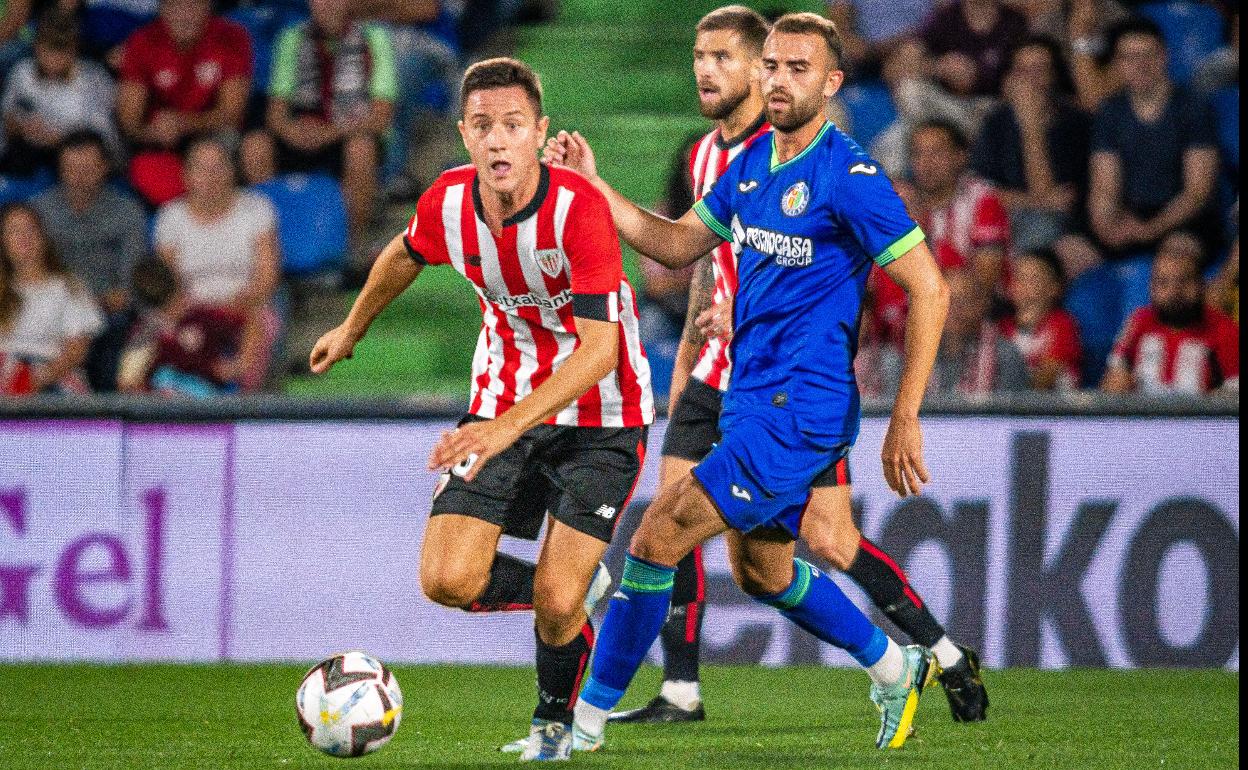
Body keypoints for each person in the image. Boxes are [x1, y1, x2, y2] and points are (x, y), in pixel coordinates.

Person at [547, 13, 954, 753]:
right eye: (770, 65)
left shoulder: (850, 176)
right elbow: (674, 244)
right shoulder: (753, 162)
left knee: (657, 533)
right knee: (764, 570)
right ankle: (898, 667)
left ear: (831, 83)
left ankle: (583, 725)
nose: (778, 79)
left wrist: (906, 416)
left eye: (798, 68)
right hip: (749, 398)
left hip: (802, 409)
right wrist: (594, 188)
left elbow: (930, 289)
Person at [308, 57, 655, 762]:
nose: (499, 142)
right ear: (464, 135)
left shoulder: (578, 209)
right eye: (484, 127)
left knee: (558, 605)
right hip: (501, 400)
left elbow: (597, 353)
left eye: (514, 126)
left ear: (539, 133)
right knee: (447, 580)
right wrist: (352, 328)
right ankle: (577, 588)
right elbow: (405, 254)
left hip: (602, 417)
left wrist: (504, 427)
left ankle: (553, 724)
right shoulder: (447, 201)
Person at [258, 0, 397, 245]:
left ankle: (351, 247)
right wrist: (292, 132)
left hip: (348, 134)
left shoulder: (374, 37)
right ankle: (275, 245)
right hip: (302, 133)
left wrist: (331, 132)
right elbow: (275, 112)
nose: (327, 4)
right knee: (255, 147)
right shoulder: (291, 38)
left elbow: (381, 115)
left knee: (361, 149)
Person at [153, 135, 279, 391]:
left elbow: (267, 275)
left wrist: (240, 302)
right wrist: (189, 306)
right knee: (159, 328)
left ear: (232, 171)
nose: (210, 176)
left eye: (218, 167)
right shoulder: (170, 216)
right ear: (186, 175)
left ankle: (242, 403)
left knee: (262, 323)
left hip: (244, 303)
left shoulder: (257, 209)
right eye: (201, 168)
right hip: (189, 304)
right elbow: (166, 279)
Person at [1088, 19, 1219, 260]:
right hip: (1131, 214)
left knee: (1175, 256)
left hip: (1186, 220)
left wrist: (1151, 229)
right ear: (1118, 64)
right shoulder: (1110, 111)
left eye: (1147, 55)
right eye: (1129, 57)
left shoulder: (1193, 107)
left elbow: (1197, 193)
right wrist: (1106, 225)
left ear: (1164, 57)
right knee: (1075, 254)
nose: (1140, 65)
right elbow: (1104, 186)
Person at [31, 130, 147, 392]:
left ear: (105, 167)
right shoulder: (39, 211)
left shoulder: (127, 213)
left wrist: (88, 309)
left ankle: (104, 416)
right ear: (60, 169)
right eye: (71, 169)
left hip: (108, 315)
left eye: (88, 168)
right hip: (49, 315)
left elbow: (132, 286)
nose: (79, 177)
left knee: (115, 334)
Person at [115, 0, 252, 206]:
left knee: (240, 149)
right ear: (162, 9)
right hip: (160, 140)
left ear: (208, 7)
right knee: (145, 169)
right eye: (176, 6)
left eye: (193, 6)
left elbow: (232, 112)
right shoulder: (142, 41)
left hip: (214, 133)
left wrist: (183, 123)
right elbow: (129, 120)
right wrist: (154, 131)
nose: (185, 15)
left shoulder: (232, 36)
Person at [971, 36, 1091, 253]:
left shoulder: (1077, 123)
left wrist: (1031, 128)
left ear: (1055, 75)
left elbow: (1060, 203)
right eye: (1022, 72)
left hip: (1061, 227)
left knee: (1043, 225)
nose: (1031, 80)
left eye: (1039, 70)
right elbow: (983, 194)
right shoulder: (996, 122)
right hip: (1008, 216)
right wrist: (1036, 201)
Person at [1102, 232, 1239, 396]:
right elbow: (1112, 377)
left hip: (1199, 419)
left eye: (1184, 281)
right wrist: (1118, 382)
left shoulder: (1224, 329)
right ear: (1152, 288)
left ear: (1202, 284)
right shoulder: (1139, 321)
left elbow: (1234, 392)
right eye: (1163, 283)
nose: (1174, 292)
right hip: (1144, 417)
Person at [0, 10, 121, 178]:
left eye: (61, 53)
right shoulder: (22, 73)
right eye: (47, 51)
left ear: (73, 51)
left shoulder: (94, 80)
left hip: (74, 163)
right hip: (24, 156)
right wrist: (18, 127)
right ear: (37, 47)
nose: (53, 60)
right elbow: (7, 116)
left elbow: (106, 140)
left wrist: (62, 138)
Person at [0, 202, 102, 393]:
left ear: (43, 237)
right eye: (14, 230)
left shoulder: (68, 287)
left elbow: (76, 351)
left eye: (30, 229)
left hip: (51, 376)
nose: (24, 237)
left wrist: (32, 381)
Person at [117, 258, 247, 396]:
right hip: (163, 408)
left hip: (209, 400)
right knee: (163, 377)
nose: (183, 299)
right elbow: (127, 383)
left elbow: (252, 321)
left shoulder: (205, 317)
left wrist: (240, 364)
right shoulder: (146, 332)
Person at [999, 248, 1083, 391]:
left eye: (1033, 278)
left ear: (1054, 287)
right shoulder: (1001, 327)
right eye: (1019, 277)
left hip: (1053, 410)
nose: (1023, 285)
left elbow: (1044, 379)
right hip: (1010, 406)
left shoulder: (1062, 325)